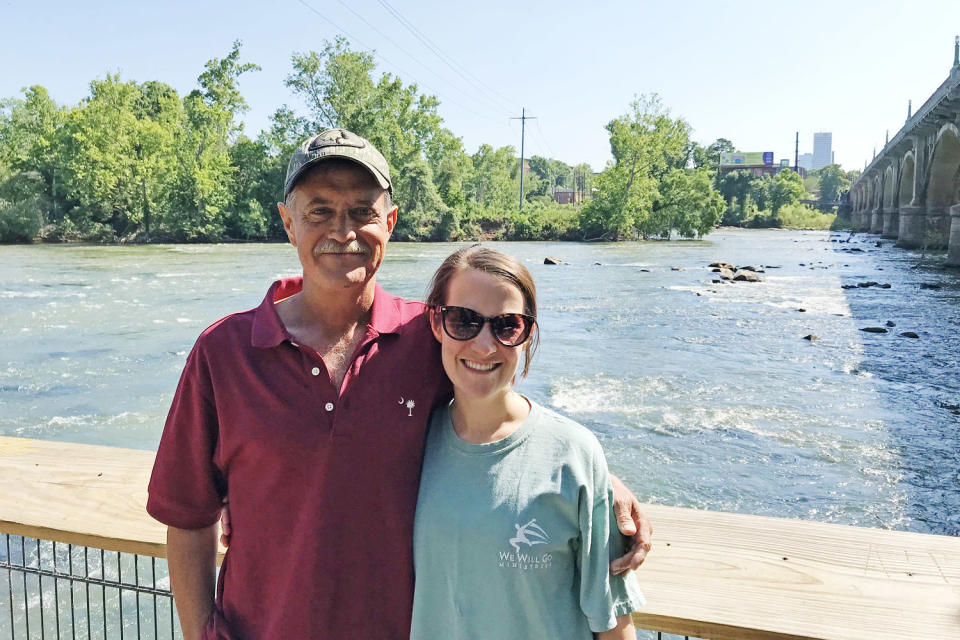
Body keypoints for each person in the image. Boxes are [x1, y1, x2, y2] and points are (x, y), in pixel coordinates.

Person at [147, 128, 652, 639]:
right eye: (319, 210)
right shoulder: (224, 352)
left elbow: (494, 407)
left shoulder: (429, 337)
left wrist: (598, 484)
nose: (342, 231)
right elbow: (189, 515)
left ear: (389, 223)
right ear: (288, 223)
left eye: (362, 211)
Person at [410, 246, 644, 639]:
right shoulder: (408, 442)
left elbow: (613, 625)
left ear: (527, 333)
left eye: (506, 325)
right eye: (464, 321)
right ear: (437, 322)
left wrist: (603, 477)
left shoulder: (575, 453)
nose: (484, 346)